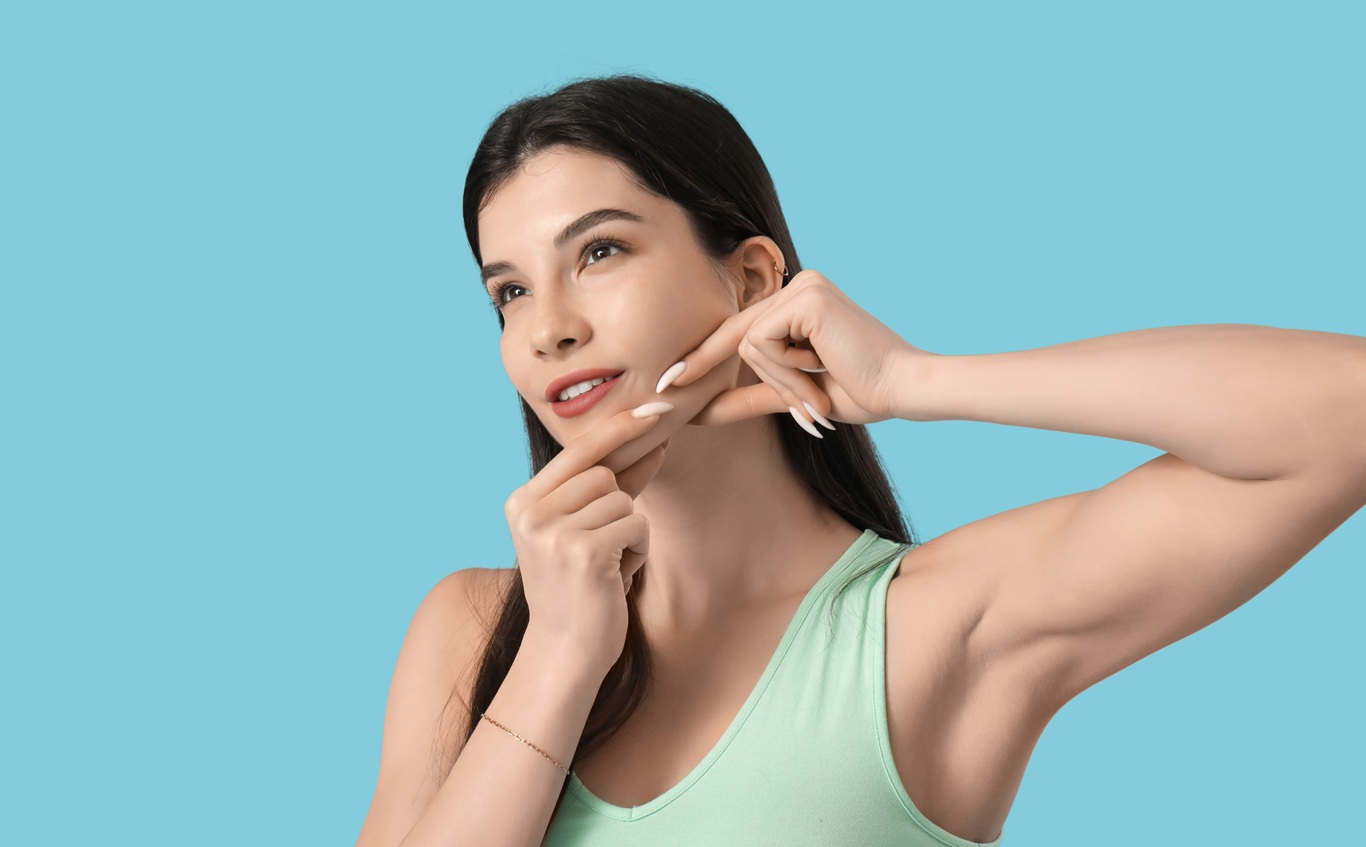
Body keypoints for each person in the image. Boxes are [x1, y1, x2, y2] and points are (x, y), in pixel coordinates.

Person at [355, 74, 1366, 847]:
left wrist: (916, 381)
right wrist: (560, 657)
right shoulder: (477, 632)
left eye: (599, 252)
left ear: (752, 280)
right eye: (510, 293)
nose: (547, 331)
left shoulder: (932, 628)